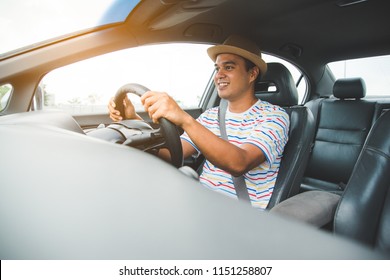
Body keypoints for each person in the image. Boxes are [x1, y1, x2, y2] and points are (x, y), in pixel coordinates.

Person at [108, 35, 289, 210]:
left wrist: (185, 119)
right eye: (217, 69)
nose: (219, 75)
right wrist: (132, 121)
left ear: (252, 74)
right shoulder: (210, 116)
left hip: (239, 216)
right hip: (199, 204)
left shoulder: (274, 117)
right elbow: (172, 153)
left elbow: (239, 163)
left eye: (229, 67)